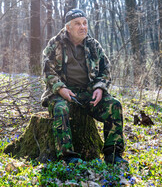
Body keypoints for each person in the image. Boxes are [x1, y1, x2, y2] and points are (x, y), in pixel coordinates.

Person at [41, 9, 128, 165]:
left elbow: (105, 69)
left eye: (84, 23)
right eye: (77, 24)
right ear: (68, 27)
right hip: (62, 93)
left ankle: (113, 154)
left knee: (114, 105)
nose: (83, 27)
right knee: (60, 109)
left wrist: (99, 88)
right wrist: (61, 88)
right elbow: (48, 70)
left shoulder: (93, 45)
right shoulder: (56, 43)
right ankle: (67, 157)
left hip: (88, 93)